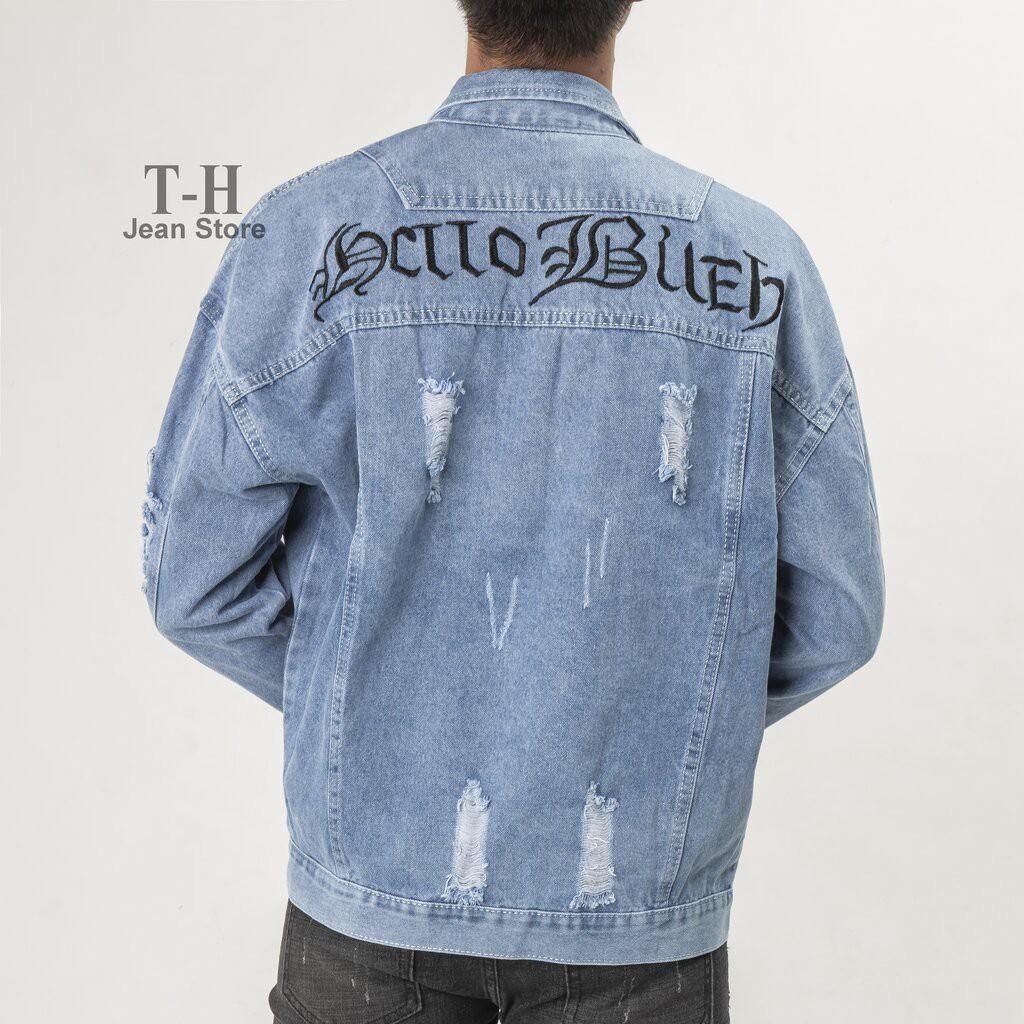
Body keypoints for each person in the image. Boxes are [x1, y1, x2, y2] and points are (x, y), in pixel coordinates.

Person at [143, 1, 884, 1020]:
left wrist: (373, 704)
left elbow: (192, 583)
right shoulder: (756, 262)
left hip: (370, 897)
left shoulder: (313, 231)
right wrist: (659, 708)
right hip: (639, 917)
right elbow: (840, 613)